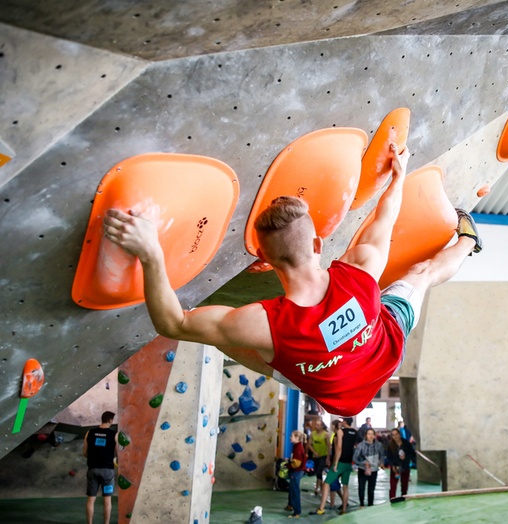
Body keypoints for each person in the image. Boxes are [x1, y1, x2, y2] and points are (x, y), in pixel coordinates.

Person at [103, 145, 483, 417]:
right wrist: (396, 178)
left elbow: (175, 323)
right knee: (423, 274)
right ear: (318, 243)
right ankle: (467, 241)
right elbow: (384, 221)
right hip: (383, 346)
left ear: (262, 260)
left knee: (229, 341)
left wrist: (152, 253)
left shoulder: (262, 325)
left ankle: (470, 242)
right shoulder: (362, 273)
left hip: (339, 386)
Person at [312, 417, 356, 515]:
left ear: (344, 421)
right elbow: (353, 446)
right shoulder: (354, 432)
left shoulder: (340, 432)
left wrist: (335, 463)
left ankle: (321, 508)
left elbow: (339, 448)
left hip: (340, 462)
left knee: (326, 483)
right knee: (345, 486)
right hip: (348, 462)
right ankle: (344, 510)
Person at [82, 411, 117, 524]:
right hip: (107, 471)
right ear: (110, 420)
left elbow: (84, 452)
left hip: (93, 470)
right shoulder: (114, 434)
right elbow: (117, 453)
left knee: (91, 499)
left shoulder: (89, 433)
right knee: (107, 499)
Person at [353, 427, 385, 507]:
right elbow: (355, 458)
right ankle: (362, 504)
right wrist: (364, 463)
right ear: (366, 435)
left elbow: (382, 455)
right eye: (369, 434)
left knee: (371, 488)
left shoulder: (379, 445)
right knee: (361, 487)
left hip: (374, 470)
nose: (370, 436)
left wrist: (381, 463)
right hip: (362, 470)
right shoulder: (361, 445)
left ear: (375, 436)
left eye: (372, 434)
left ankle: (371, 504)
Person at [386, 427, 415, 499]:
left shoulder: (406, 443)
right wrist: (392, 465)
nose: (395, 436)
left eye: (396, 434)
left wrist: (406, 457)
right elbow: (389, 457)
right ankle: (392, 499)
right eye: (393, 435)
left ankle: (404, 497)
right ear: (392, 436)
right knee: (393, 485)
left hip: (405, 466)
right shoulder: (390, 445)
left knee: (404, 484)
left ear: (399, 434)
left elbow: (412, 454)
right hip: (395, 467)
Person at [286, 430, 306, 517]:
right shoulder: (296, 446)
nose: (290, 437)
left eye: (292, 436)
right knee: (292, 489)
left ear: (297, 438)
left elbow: (296, 464)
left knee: (294, 491)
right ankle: (290, 505)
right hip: (296, 470)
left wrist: (288, 465)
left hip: (297, 471)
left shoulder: (298, 448)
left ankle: (297, 512)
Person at [307, 418, 329, 497]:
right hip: (315, 456)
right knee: (316, 472)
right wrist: (314, 452)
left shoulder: (326, 434)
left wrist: (328, 458)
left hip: (323, 455)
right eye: (316, 425)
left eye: (318, 425)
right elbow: (309, 444)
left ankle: (317, 488)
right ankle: (320, 486)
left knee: (320, 471)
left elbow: (329, 446)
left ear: (322, 426)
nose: (316, 426)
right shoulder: (312, 434)